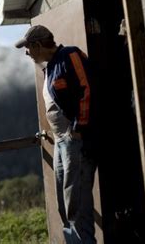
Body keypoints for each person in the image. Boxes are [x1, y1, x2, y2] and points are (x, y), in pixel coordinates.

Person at [15, 25, 97, 244]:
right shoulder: (49, 68)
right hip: (62, 142)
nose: (26, 53)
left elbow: (86, 89)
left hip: (74, 141)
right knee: (64, 202)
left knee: (76, 204)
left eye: (27, 48)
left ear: (37, 45)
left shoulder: (70, 55)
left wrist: (79, 128)